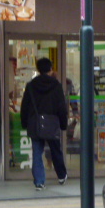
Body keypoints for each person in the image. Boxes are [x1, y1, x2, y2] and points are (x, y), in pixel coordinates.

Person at [20, 57, 68, 191]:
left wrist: (24, 123)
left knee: (37, 152)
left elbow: (25, 106)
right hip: (52, 123)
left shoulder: (30, 85)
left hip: (35, 123)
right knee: (55, 150)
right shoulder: (56, 85)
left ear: (38, 69)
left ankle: (39, 182)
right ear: (51, 69)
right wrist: (63, 124)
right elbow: (61, 107)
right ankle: (61, 175)